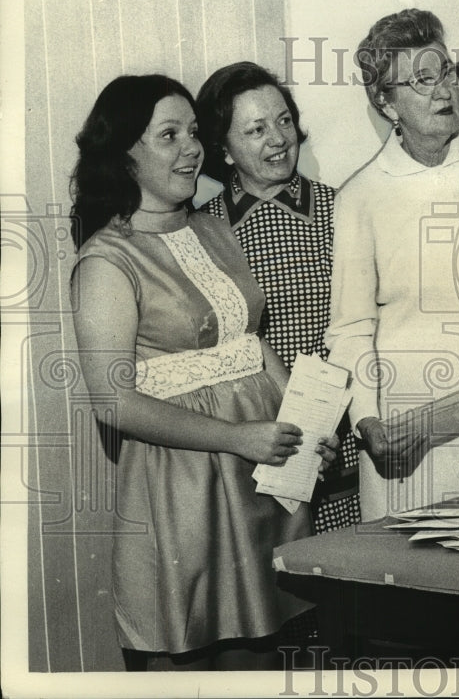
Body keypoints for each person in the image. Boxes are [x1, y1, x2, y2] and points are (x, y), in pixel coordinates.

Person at [70, 74, 336, 670]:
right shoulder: (107, 260)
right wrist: (238, 439)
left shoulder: (215, 229)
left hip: (266, 481)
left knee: (275, 652)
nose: (191, 147)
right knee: (201, 656)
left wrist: (307, 422)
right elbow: (114, 404)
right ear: (124, 157)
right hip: (184, 487)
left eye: (193, 132)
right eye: (169, 135)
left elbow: (249, 341)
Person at [325, 9, 459, 520]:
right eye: (420, 80)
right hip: (409, 440)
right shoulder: (360, 197)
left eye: (445, 72)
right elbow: (350, 329)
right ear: (384, 101)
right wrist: (368, 422)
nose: (443, 90)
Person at [197, 62, 359, 533]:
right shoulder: (203, 229)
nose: (278, 139)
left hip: (341, 442)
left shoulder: (341, 208)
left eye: (284, 120)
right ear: (224, 150)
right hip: (256, 446)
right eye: (256, 129)